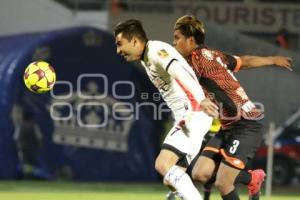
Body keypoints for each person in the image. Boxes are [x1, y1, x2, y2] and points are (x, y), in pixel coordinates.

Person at [172, 15, 292, 200]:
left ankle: (250, 178)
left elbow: (181, 79)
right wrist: (272, 59)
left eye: (177, 38)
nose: (174, 43)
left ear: (190, 40)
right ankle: (252, 177)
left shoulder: (196, 60)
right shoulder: (215, 55)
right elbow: (242, 61)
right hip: (228, 127)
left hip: (246, 125)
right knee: (200, 173)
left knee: (223, 182)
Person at [114, 19, 219, 200]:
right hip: (192, 117)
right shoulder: (146, 58)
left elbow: (179, 70)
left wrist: (200, 99)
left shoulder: (155, 51)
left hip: (193, 113)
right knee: (172, 180)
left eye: (119, 44)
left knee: (162, 164)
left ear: (134, 41)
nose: (118, 50)